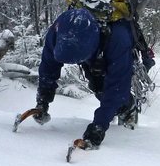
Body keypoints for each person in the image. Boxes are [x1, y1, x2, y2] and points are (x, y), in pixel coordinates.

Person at [33, 8, 136, 149]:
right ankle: (110, 108)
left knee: (107, 92)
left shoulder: (118, 39)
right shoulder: (58, 30)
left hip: (108, 53)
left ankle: (128, 108)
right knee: (97, 87)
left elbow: (117, 87)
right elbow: (48, 65)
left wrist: (99, 126)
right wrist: (43, 100)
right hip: (88, 50)